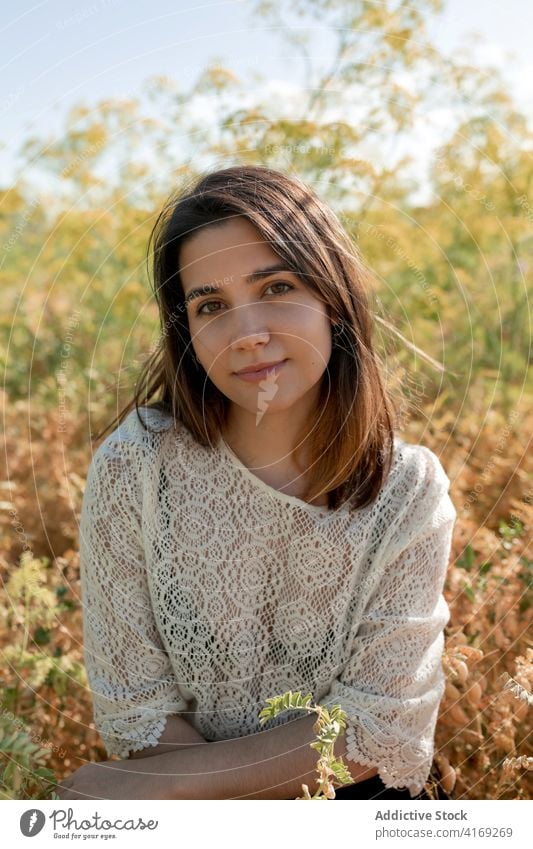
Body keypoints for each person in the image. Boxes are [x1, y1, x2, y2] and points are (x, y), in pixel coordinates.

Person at [56, 165, 457, 801]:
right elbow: (135, 708)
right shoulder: (137, 467)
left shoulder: (408, 489)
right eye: (211, 305)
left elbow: (378, 731)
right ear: (185, 329)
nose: (248, 336)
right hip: (179, 791)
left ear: (333, 296)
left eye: (275, 287)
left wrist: (171, 788)